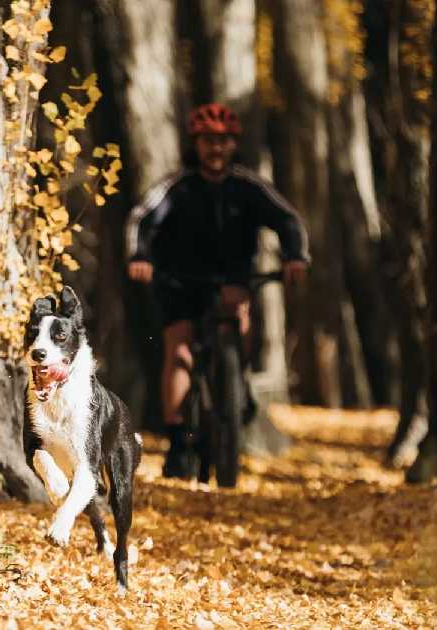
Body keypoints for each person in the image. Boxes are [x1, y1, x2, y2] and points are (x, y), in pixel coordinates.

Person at [125, 103, 310, 479]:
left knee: (238, 321)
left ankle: (235, 390)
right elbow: (141, 219)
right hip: (180, 282)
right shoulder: (177, 186)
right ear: (196, 144)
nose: (216, 148)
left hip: (233, 281)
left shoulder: (248, 187)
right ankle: (179, 441)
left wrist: (295, 256)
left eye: (223, 141)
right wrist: (139, 256)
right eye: (208, 141)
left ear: (233, 145)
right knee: (178, 348)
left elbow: (287, 219)